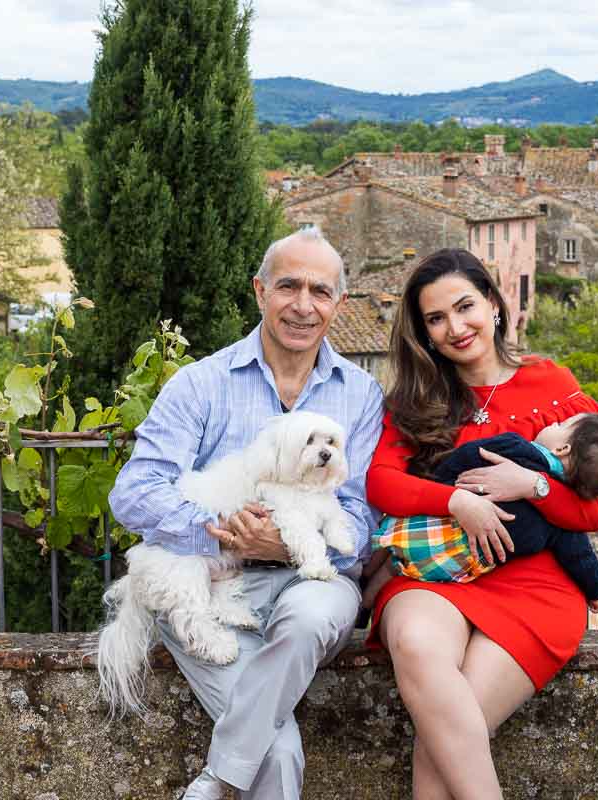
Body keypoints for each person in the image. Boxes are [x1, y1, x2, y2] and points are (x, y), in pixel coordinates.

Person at [108, 227, 383, 800]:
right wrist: (221, 536)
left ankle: (217, 777)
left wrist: (283, 545)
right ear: (260, 292)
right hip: (205, 589)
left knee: (311, 617)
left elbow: (359, 518)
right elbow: (133, 491)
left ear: (339, 304)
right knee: (277, 752)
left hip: (309, 581)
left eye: (320, 291)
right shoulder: (200, 384)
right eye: (288, 286)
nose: (303, 305)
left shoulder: (360, 394)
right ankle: (228, 773)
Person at [365, 248, 598, 799]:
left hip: (535, 585)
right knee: (414, 641)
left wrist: (534, 486)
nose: (455, 327)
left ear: (494, 306)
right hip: (438, 574)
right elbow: (380, 483)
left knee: (442, 741)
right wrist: (458, 503)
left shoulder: (553, 386)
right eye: (435, 319)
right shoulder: (416, 399)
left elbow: (594, 509)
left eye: (465, 307)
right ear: (424, 333)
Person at [363, 412, 598, 607]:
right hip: (451, 564)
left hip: (431, 523)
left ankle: (358, 595)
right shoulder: (558, 519)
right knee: (394, 569)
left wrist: (440, 483)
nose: (553, 422)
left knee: (384, 544)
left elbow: (465, 457)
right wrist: (595, 591)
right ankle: (366, 602)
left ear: (562, 448)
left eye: (560, 424)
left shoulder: (515, 448)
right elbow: (580, 556)